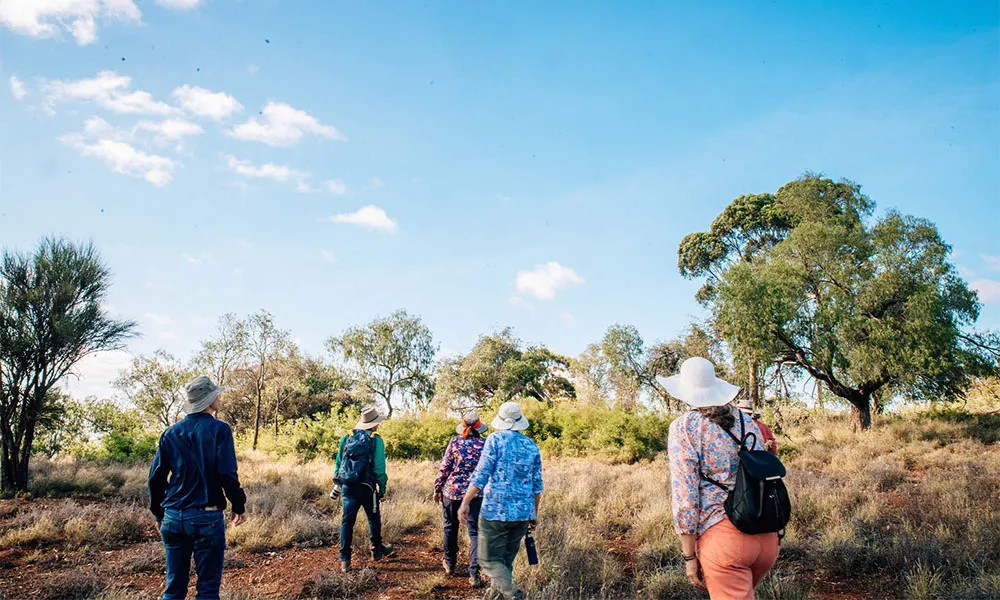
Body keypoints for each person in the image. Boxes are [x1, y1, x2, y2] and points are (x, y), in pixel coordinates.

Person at [659, 357, 779, 600]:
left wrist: (689, 557)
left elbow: (686, 496)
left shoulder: (684, 427)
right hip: (766, 535)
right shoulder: (748, 422)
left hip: (724, 540)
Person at [148, 375, 248, 600]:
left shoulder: (170, 433)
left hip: (173, 517)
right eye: (216, 395)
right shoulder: (220, 430)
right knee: (208, 590)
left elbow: (155, 478)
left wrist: (158, 512)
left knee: (173, 589)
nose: (219, 397)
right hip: (206, 517)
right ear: (209, 400)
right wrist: (238, 504)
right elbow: (227, 473)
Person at [458, 402, 543, 600]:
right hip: (522, 514)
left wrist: (465, 502)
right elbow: (537, 486)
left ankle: (514, 594)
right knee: (505, 562)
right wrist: (533, 514)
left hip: (495, 512)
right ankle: (497, 596)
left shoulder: (495, 440)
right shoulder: (531, 446)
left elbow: (481, 474)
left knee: (488, 560)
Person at [332, 406, 394, 573]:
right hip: (367, 487)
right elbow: (380, 468)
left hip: (348, 487)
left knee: (347, 522)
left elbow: (339, 464)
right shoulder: (376, 441)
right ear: (373, 425)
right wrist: (382, 488)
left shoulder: (346, 438)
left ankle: (345, 560)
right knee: (373, 518)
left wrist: (338, 483)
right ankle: (376, 550)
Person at [434, 412, 489, 588]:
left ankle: (450, 564)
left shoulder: (455, 441)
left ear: (463, 426)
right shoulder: (485, 443)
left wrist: (437, 487)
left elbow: (445, 466)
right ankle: (475, 574)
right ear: (479, 427)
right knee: (475, 532)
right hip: (476, 494)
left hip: (452, 492)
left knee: (450, 526)